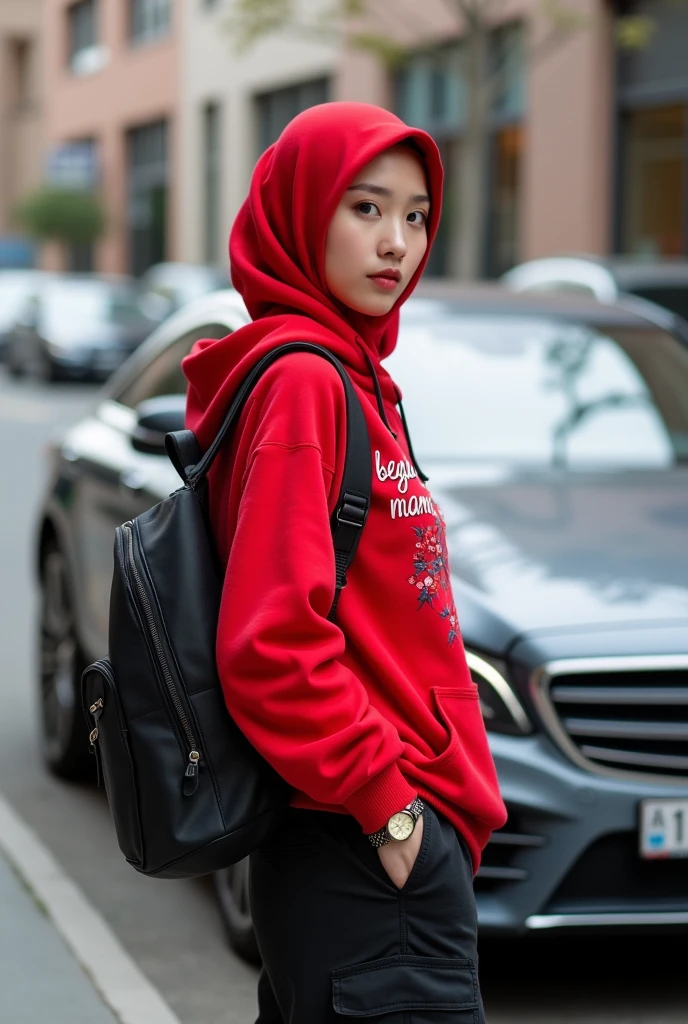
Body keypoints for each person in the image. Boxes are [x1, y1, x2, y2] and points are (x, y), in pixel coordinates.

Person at [183, 102, 506, 1023]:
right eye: (365, 208)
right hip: (363, 840)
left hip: (366, 835)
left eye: (414, 216)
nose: (396, 242)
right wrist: (391, 810)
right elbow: (272, 638)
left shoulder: (353, 374)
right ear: (301, 208)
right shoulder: (303, 382)